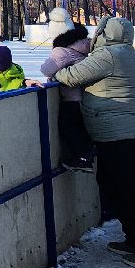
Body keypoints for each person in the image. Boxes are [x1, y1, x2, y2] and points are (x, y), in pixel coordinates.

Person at [55, 16, 135, 268]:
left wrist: (60, 62)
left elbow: (69, 76)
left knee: (134, 192)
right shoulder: (126, 52)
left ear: (102, 34)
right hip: (123, 132)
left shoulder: (107, 55)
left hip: (121, 134)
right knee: (114, 185)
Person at [34, 24, 94, 169]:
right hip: (86, 96)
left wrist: (57, 73)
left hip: (71, 97)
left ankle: (82, 158)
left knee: (68, 126)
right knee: (80, 127)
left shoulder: (62, 51)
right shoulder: (83, 47)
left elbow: (46, 70)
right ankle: (84, 156)